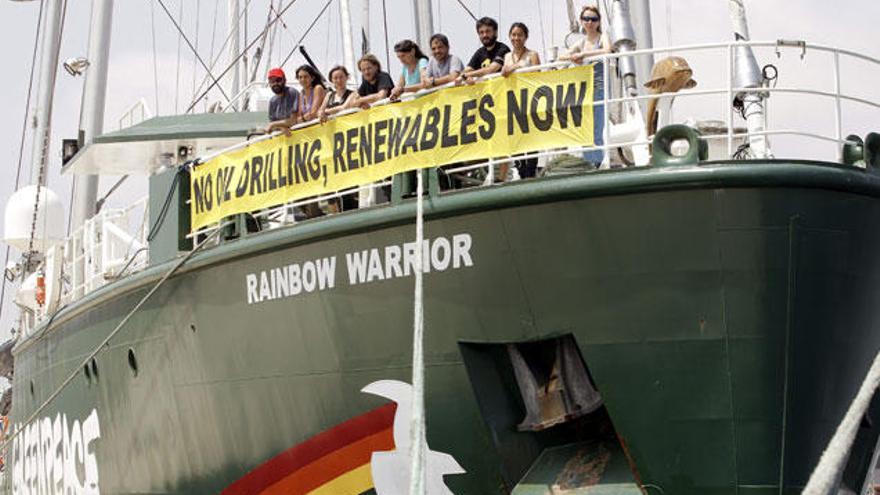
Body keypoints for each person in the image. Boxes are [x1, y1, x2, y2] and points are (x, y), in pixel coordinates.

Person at [559, 5, 612, 167]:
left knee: (597, 126)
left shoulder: (602, 38)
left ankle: (596, 161)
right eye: (586, 19)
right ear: (581, 21)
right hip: (584, 89)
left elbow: (608, 50)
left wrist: (583, 55)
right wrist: (573, 56)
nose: (589, 22)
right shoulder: (581, 42)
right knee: (585, 128)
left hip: (599, 87)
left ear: (598, 22)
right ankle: (590, 161)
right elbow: (562, 56)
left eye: (593, 19)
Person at [502, 22, 542, 179]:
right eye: (513, 35)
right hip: (513, 101)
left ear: (525, 37)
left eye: (519, 35)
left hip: (530, 100)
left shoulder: (532, 54)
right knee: (516, 138)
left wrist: (515, 67)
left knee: (531, 137)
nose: (516, 38)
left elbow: (538, 74)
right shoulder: (507, 56)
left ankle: (531, 172)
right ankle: (520, 170)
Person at [459, 17, 510, 84]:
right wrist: (466, 77)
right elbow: (466, 70)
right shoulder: (479, 52)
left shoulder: (503, 48)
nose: (485, 35)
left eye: (488, 31)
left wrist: (468, 75)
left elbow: (491, 69)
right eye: (481, 32)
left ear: (495, 32)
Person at [265, 67, 300, 133]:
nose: (275, 83)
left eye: (278, 80)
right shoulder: (272, 101)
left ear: (284, 80)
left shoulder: (292, 93)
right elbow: (273, 123)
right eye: (272, 81)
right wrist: (281, 128)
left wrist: (273, 125)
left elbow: (294, 120)